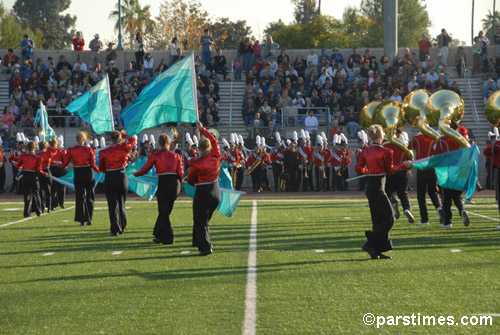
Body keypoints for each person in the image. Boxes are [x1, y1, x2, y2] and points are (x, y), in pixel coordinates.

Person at [355, 125, 411, 259]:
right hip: (379, 187)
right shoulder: (386, 151)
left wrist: (368, 172)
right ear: (381, 136)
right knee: (389, 219)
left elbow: (359, 168)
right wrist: (404, 164)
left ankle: (376, 250)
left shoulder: (365, 150)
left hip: (370, 187)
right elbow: (390, 170)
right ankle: (370, 243)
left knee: (378, 220)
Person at [134, 134, 183, 244]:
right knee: (166, 211)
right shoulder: (177, 156)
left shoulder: (154, 155)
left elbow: (146, 168)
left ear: (159, 143)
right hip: (175, 184)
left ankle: (169, 237)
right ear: (169, 143)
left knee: (163, 212)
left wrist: (136, 174)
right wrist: (179, 183)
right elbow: (180, 173)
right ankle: (159, 234)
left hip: (164, 183)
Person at [186, 121, 221, 256]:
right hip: (216, 190)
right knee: (203, 220)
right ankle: (197, 241)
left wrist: (190, 181)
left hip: (203, 191)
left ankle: (206, 247)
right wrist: (203, 129)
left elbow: (191, 180)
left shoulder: (198, 162)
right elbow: (214, 140)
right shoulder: (216, 154)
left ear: (199, 149)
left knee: (200, 220)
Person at [98, 131, 137, 236]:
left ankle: (115, 229)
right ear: (119, 139)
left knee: (112, 205)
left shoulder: (104, 152)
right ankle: (122, 227)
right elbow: (133, 138)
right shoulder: (124, 148)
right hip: (121, 176)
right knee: (121, 203)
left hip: (110, 177)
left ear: (111, 139)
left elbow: (101, 168)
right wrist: (123, 135)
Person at [59, 131, 99, 226]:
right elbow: (93, 165)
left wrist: (57, 164)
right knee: (90, 196)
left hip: (78, 173)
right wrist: (99, 170)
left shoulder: (71, 150)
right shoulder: (90, 150)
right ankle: (90, 219)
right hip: (89, 173)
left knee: (80, 197)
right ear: (84, 139)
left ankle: (81, 219)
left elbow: (64, 164)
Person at [16, 140, 49, 217]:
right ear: (34, 148)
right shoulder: (38, 157)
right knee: (36, 194)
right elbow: (38, 170)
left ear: (27, 147)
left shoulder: (23, 156)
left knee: (27, 195)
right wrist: (45, 174)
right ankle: (38, 211)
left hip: (25, 176)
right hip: (34, 176)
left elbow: (17, 166)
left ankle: (26, 213)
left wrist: (23, 167)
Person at [48, 137, 66, 210]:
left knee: (53, 188)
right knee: (62, 187)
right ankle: (61, 202)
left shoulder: (48, 151)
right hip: (60, 169)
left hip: (52, 169)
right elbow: (65, 160)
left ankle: (53, 204)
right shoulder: (61, 151)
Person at [37, 141, 53, 214]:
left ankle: (42, 208)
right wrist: (47, 146)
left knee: (41, 191)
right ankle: (49, 207)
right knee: (48, 191)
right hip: (47, 170)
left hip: (40, 172)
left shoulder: (38, 154)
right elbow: (55, 150)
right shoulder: (49, 153)